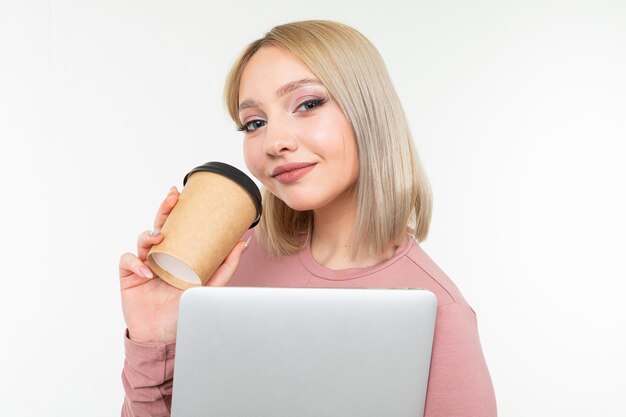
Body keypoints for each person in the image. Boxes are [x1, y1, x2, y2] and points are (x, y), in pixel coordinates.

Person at [119, 20, 497, 417]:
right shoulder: (230, 264)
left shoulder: (442, 314)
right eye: (255, 123)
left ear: (368, 110)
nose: (274, 142)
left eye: (308, 104)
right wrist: (154, 338)